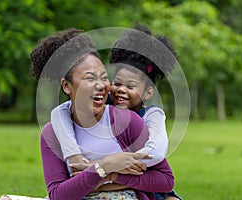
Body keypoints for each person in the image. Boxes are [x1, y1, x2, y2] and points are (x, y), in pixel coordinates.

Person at [0, 28, 175, 200]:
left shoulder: (127, 119)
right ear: (67, 86)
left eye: (104, 77)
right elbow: (58, 194)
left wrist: (111, 176)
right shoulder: (53, 131)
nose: (100, 85)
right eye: (90, 78)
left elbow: (165, 179)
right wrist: (103, 167)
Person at [51, 26, 182, 200]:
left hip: (147, 179)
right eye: (117, 83)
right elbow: (60, 111)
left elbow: (156, 153)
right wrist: (75, 156)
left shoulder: (152, 115)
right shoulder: (104, 106)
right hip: (106, 180)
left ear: (148, 93)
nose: (121, 90)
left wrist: (112, 166)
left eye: (130, 86)